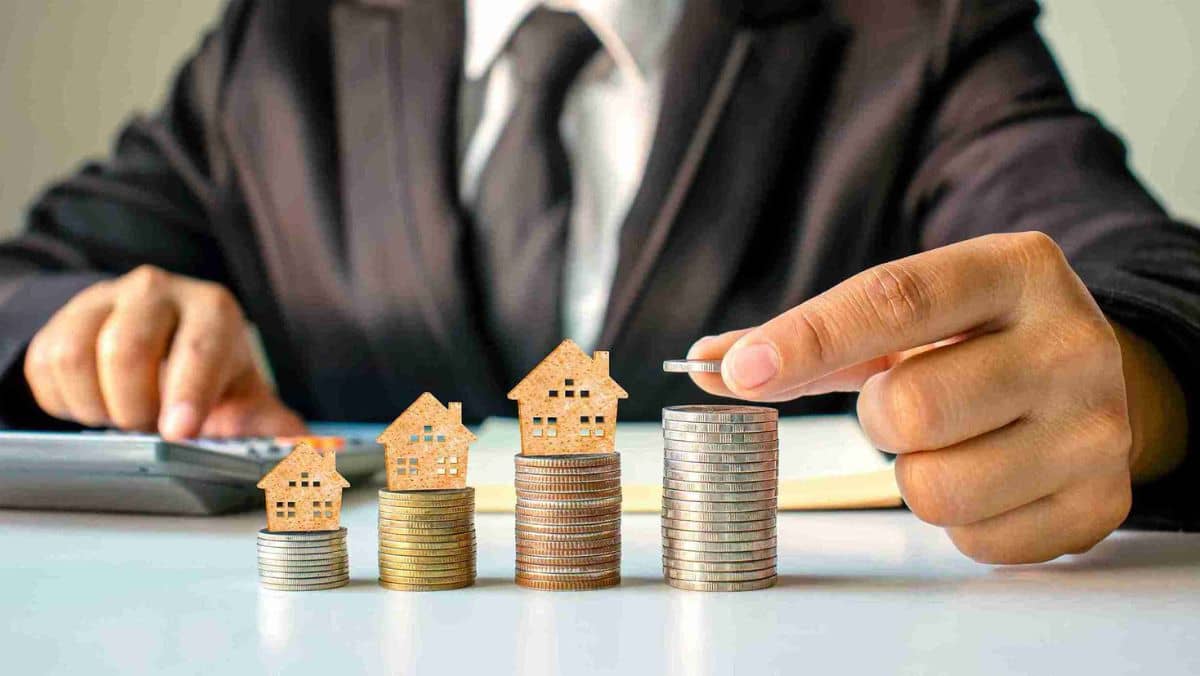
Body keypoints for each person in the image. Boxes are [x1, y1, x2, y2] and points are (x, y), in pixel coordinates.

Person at [0, 0, 1197, 562]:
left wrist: (1135, 379)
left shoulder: (920, 34)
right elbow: (25, 276)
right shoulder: (279, 46)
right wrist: (77, 329)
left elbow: (1148, 276)